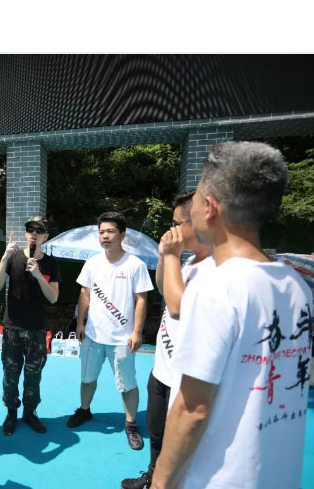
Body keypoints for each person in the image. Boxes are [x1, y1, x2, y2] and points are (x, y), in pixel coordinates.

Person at [151, 142, 314, 489]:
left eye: (196, 199)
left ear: (210, 207)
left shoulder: (216, 287)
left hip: (220, 478)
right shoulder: (296, 284)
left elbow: (193, 409)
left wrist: (160, 482)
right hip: (278, 474)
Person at [121, 193, 214, 489]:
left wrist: (173, 255)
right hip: (163, 367)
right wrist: (165, 255)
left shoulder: (215, 268)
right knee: (156, 431)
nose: (172, 229)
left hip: (185, 376)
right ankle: (152, 475)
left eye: (177, 223)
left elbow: (177, 307)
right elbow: (164, 288)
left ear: (197, 221)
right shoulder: (192, 262)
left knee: (180, 443)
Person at [68, 212, 154, 450]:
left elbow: (141, 300)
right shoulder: (92, 263)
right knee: (87, 379)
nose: (105, 236)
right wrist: (80, 323)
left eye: (110, 231)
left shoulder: (135, 265)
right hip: (93, 336)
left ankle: (131, 424)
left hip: (122, 340)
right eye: (101, 232)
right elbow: (85, 294)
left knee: (127, 384)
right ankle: (84, 410)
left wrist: (137, 331)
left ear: (122, 235)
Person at [0, 215, 61, 436]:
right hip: (12, 327)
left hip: (36, 329)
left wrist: (39, 275)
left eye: (39, 230)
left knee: (33, 375)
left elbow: (53, 297)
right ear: (25, 233)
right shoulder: (13, 257)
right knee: (10, 374)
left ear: (45, 236)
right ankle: (11, 412)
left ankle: (30, 413)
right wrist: (4, 257)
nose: (34, 234)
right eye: (30, 229)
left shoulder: (50, 263)